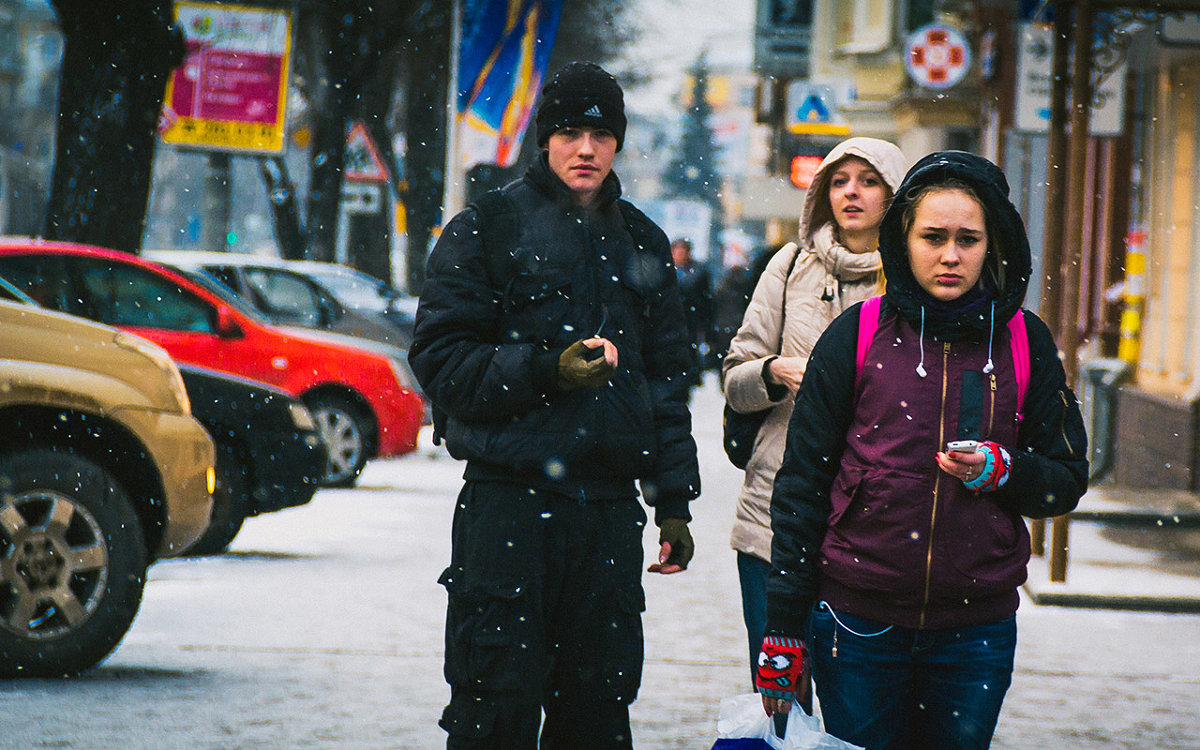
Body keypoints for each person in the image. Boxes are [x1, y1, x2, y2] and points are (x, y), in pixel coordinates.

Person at [408, 61, 701, 750]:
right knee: (495, 709)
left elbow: (666, 386)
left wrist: (674, 502)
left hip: (605, 515)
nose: (586, 149)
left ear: (619, 143)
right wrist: (546, 371)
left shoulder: (643, 241)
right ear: (545, 139)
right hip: (507, 507)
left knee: (597, 714)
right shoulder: (486, 226)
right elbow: (440, 362)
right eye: (570, 132)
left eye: (601, 134)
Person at [755, 151, 1089, 750]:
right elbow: (801, 483)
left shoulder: (1023, 341)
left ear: (994, 245)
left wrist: (1004, 472)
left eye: (969, 239)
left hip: (974, 632)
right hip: (857, 624)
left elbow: (1065, 476)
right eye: (933, 237)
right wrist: (784, 626)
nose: (951, 255)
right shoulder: (856, 334)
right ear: (903, 240)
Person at [722, 137, 907, 683]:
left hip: (870, 524)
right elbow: (736, 380)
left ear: (895, 195)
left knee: (856, 701)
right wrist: (775, 372)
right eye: (839, 180)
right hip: (774, 515)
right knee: (781, 692)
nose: (852, 191)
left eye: (868, 181)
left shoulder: (913, 278)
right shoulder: (789, 266)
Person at [671, 237, 713, 388]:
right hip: (671, 321)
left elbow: (706, 300)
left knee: (688, 354)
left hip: (690, 321)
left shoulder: (698, 272)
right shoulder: (665, 270)